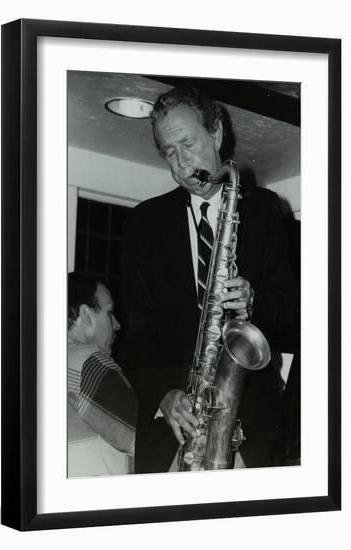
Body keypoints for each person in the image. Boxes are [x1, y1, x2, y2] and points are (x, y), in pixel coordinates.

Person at [120, 86, 297, 474]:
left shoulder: (265, 211)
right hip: (176, 433)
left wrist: (255, 302)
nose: (183, 164)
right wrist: (164, 395)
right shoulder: (143, 224)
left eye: (188, 143)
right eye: (170, 151)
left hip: (252, 430)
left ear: (215, 134)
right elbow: (134, 336)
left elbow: (291, 313)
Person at [67, 274, 138, 477]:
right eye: (109, 313)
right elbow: (141, 440)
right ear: (86, 315)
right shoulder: (89, 362)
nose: (117, 324)